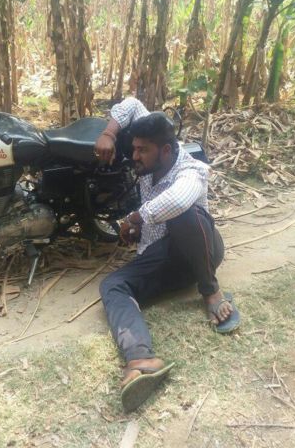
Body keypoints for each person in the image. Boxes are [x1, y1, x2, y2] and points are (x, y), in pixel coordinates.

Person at [94, 97, 240, 412]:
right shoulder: (152, 152)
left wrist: (135, 218)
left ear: (166, 151)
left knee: (184, 214)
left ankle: (211, 291)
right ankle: (141, 359)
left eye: (142, 150)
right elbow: (132, 104)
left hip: (201, 250)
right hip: (163, 256)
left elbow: (177, 201)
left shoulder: (191, 171)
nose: (134, 156)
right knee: (112, 285)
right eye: (134, 148)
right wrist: (109, 133)